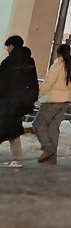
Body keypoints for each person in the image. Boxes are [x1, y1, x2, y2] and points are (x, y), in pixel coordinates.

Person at [0, 35, 39, 169]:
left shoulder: (7, 63)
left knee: (9, 129)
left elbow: (2, 84)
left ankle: (17, 159)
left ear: (12, 46)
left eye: (8, 46)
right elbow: (33, 82)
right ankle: (17, 158)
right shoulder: (29, 61)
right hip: (20, 102)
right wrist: (29, 100)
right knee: (12, 129)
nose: (7, 49)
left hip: (7, 101)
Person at [32, 43, 71, 164]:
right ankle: (52, 157)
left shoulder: (57, 66)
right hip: (65, 101)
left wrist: (38, 94)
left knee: (38, 123)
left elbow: (48, 83)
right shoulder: (70, 67)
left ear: (58, 53)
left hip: (53, 100)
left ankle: (48, 149)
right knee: (53, 127)